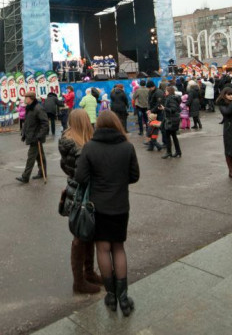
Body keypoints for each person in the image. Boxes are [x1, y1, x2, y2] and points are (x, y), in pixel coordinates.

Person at [74, 111, 140, 317]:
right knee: (118, 248)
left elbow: (81, 177)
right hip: (120, 205)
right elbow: (134, 176)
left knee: (102, 249)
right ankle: (124, 298)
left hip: (98, 206)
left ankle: (110, 296)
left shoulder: (90, 147)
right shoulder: (127, 147)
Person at [58, 109, 103, 294]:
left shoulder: (67, 140)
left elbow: (65, 167)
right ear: (85, 122)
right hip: (82, 194)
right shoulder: (81, 146)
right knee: (80, 236)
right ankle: (79, 281)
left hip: (73, 190)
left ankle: (89, 272)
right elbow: (82, 175)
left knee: (87, 234)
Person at [16, 92, 49, 183]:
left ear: (31, 98)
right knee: (40, 156)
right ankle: (42, 173)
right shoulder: (29, 108)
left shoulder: (38, 108)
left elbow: (45, 123)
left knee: (31, 157)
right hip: (32, 136)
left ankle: (25, 177)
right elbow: (27, 123)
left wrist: (40, 135)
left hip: (36, 137)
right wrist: (24, 133)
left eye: (26, 98)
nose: (24, 99)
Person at [161, 86, 182, 159]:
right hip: (173, 119)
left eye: (166, 91)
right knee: (173, 136)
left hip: (171, 120)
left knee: (168, 136)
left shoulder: (171, 99)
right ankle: (178, 152)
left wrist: (165, 108)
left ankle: (169, 152)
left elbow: (173, 109)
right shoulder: (172, 98)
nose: (165, 92)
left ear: (169, 92)